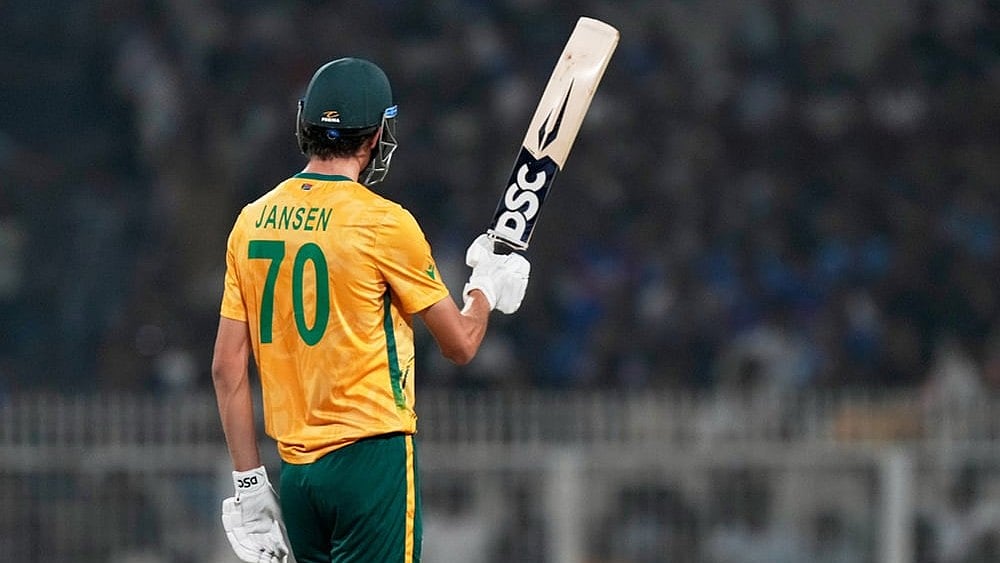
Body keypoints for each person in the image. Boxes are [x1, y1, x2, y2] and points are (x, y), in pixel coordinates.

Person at [210, 57, 530, 563]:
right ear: (378, 134)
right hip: (370, 457)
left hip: (297, 473)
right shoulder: (384, 223)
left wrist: (250, 484)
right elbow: (461, 344)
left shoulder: (251, 222)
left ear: (304, 123)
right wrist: (485, 289)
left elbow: (227, 369)